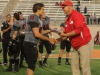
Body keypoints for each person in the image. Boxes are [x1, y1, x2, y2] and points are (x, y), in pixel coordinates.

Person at [57, 0, 94, 75]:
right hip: (75, 45)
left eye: (64, 7)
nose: (62, 9)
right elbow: (67, 34)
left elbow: (78, 31)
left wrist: (65, 35)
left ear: (69, 6)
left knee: (84, 65)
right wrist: (56, 40)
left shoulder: (77, 15)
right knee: (75, 66)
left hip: (84, 42)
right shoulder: (68, 19)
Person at [23, 3, 55, 75]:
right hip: (30, 43)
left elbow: (41, 32)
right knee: (32, 66)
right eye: (42, 9)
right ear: (38, 9)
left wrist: (50, 30)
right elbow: (36, 34)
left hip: (31, 43)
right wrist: (48, 39)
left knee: (30, 66)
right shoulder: (33, 17)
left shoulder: (38, 18)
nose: (44, 11)